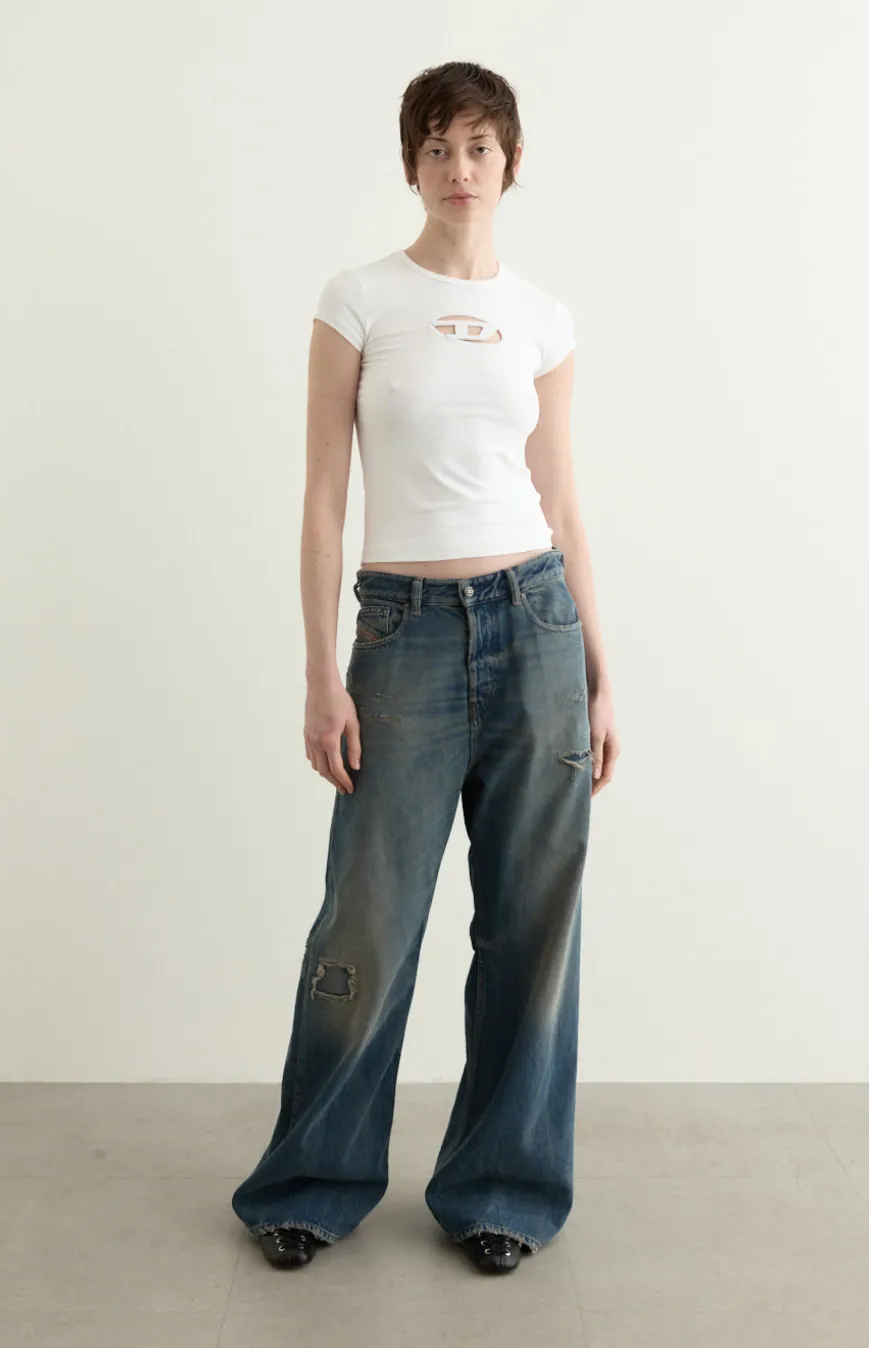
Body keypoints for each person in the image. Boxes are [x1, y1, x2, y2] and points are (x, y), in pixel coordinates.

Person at [231, 59, 620, 1276]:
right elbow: (323, 493)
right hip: (401, 637)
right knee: (368, 919)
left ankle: (503, 1189)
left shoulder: (543, 317)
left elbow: (562, 499)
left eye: (481, 147)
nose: (461, 168)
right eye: (439, 147)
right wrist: (320, 672)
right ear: (412, 165)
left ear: (513, 164)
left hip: (537, 625)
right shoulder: (359, 300)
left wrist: (601, 670)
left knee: (532, 926)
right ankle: (313, 1180)